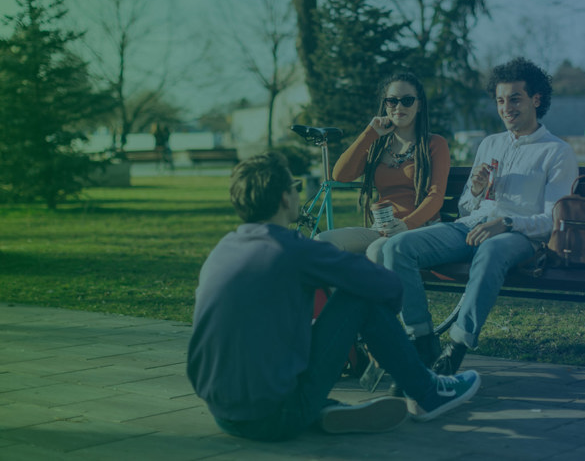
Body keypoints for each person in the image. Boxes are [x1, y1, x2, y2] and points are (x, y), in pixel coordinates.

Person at [187, 152, 481, 442]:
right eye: (296, 187)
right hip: (277, 415)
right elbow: (388, 286)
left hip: (223, 412)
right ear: (285, 198)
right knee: (361, 299)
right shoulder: (293, 250)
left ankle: (324, 408)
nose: (298, 194)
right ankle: (427, 392)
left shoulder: (223, 249)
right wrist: (381, 334)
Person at [381, 58, 579, 374]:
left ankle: (456, 346)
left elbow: (552, 220)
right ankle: (421, 341)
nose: (506, 108)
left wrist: (508, 223)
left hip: (519, 237)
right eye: (500, 100)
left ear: (536, 100)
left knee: (491, 249)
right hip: (471, 227)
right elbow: (464, 209)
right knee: (396, 248)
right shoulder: (490, 143)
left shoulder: (557, 151)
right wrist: (474, 190)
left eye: (515, 98)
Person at [316, 73, 449, 264]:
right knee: (322, 244)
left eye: (407, 100)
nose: (399, 107)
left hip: (421, 229)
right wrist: (370, 133)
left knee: (378, 251)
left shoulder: (434, 144)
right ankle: (344, 295)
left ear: (419, 105)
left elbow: (436, 197)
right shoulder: (378, 146)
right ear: (385, 104)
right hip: (380, 229)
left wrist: (406, 224)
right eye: (392, 101)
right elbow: (340, 175)